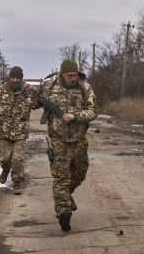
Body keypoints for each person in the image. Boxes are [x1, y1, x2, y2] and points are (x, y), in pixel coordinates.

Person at [36, 59, 98, 232]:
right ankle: (63, 211)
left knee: (80, 172)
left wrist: (75, 116)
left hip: (78, 137)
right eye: (70, 75)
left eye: (75, 75)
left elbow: (94, 111)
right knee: (61, 176)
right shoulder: (49, 87)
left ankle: (65, 195)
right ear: (62, 74)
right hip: (58, 139)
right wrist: (32, 99)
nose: (73, 78)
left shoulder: (84, 88)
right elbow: (35, 103)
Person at [0, 66, 33, 195]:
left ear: (21, 78)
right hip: (4, 131)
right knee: (4, 159)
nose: (15, 80)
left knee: (18, 159)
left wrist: (34, 90)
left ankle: (17, 183)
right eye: (13, 77)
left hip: (20, 132)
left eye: (17, 78)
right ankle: (5, 170)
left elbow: (40, 101)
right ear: (9, 77)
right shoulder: (2, 91)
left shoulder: (27, 91)